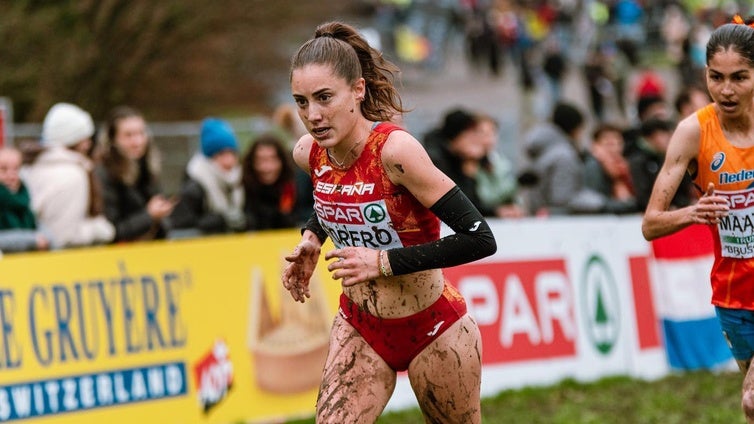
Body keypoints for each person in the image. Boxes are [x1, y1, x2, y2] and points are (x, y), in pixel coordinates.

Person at [281, 21, 496, 423]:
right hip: (360, 327)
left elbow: (480, 238)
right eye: (302, 101)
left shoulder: (396, 152)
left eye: (324, 97)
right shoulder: (307, 153)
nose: (313, 115)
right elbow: (340, 195)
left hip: (434, 327)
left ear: (358, 90)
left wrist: (382, 262)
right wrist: (312, 237)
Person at [641, 16, 754, 423]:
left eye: (740, 77)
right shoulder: (693, 132)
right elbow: (651, 223)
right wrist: (694, 213)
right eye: (716, 77)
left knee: (752, 400)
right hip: (733, 292)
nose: (726, 89)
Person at [24, 102, 115, 248]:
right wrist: (100, 229)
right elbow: (64, 235)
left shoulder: (31, 166)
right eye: (84, 138)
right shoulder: (73, 175)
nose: (88, 144)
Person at [95, 106, 175, 242]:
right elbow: (111, 231)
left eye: (141, 133)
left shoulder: (149, 167)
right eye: (128, 135)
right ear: (113, 139)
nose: (137, 142)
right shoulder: (104, 175)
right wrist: (149, 216)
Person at [168, 118, 246, 237]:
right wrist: (219, 220)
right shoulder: (194, 187)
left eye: (232, 153)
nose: (228, 160)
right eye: (222, 154)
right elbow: (181, 227)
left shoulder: (240, 180)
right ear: (210, 157)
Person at [628, 117, 694, 212]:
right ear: (650, 138)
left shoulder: (675, 157)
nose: (668, 138)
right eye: (663, 135)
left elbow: (683, 190)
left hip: (677, 210)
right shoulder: (639, 161)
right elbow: (642, 194)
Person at [241, 132, 298, 230]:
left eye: (273, 159)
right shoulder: (242, 189)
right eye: (261, 160)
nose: (267, 167)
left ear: (282, 161)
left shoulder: (293, 187)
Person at [0, 147, 52, 252]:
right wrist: (32, 240)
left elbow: (42, 230)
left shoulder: (24, 199)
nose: (11, 176)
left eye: (16, 169)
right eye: (3, 169)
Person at [583, 123, 638, 214]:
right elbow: (594, 200)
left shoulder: (624, 166)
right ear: (596, 145)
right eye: (609, 143)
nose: (615, 147)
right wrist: (628, 204)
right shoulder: (593, 166)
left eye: (618, 142)